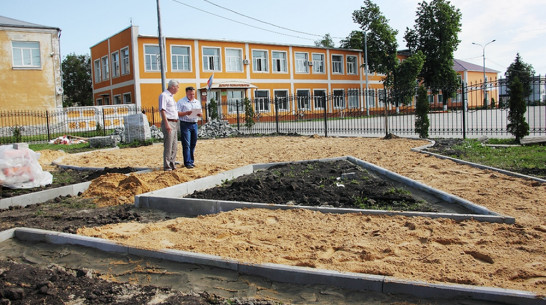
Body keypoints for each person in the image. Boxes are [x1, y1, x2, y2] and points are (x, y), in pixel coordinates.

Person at [177, 86, 202, 168]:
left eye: (193, 94)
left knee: (193, 143)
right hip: (185, 123)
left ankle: (191, 160)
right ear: (187, 93)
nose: (192, 96)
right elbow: (177, 113)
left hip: (194, 123)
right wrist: (186, 113)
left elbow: (201, 114)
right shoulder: (181, 102)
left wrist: (199, 114)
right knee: (186, 144)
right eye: (190, 94)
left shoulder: (197, 102)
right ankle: (187, 162)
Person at [158, 80, 180, 171]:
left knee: (174, 145)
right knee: (169, 144)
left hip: (174, 122)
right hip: (169, 122)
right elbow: (162, 110)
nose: (178, 89)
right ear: (173, 87)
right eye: (177, 87)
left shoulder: (171, 97)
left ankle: (172, 163)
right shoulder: (164, 96)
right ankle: (167, 165)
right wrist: (166, 124)